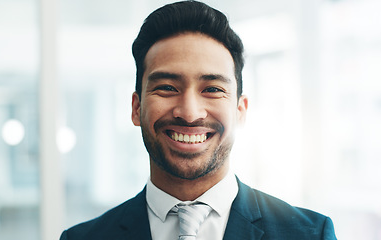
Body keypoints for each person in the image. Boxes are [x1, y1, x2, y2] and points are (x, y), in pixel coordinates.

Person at [60, 1, 337, 239]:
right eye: (167, 87)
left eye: (212, 89)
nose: (190, 113)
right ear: (136, 108)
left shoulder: (310, 234)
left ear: (240, 110)